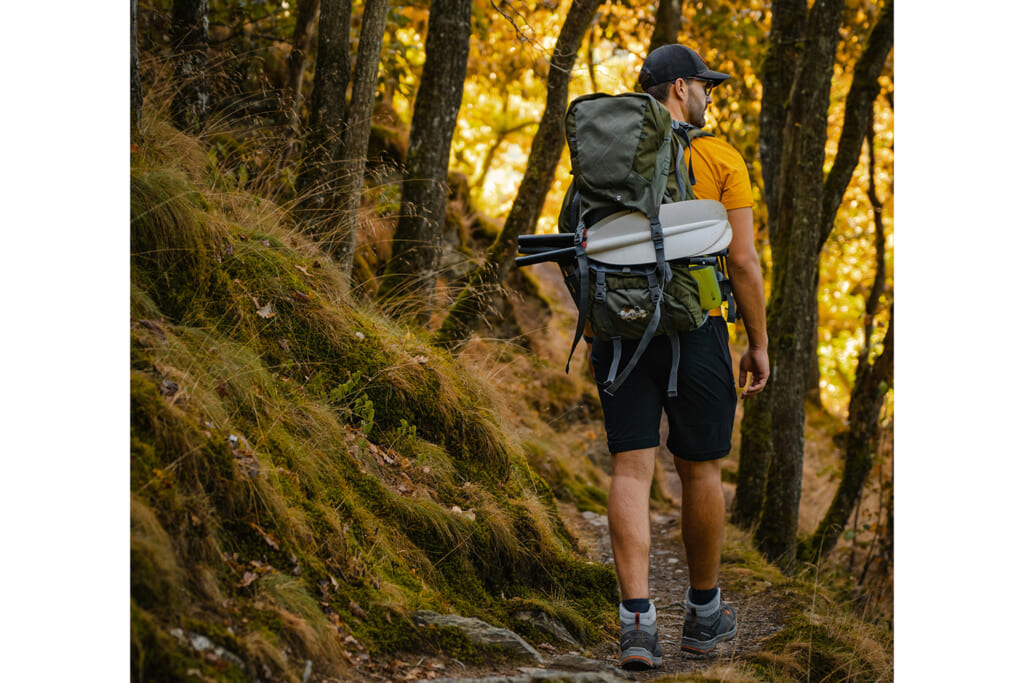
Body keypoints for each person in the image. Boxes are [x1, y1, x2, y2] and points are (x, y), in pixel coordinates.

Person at [586, 44, 770, 669]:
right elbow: (742, 260)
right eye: (705, 86)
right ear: (679, 89)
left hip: (620, 326)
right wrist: (758, 341)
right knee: (701, 469)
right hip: (700, 326)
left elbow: (582, 243)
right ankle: (704, 613)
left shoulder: (607, 156)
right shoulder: (719, 158)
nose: (710, 96)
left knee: (631, 469)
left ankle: (636, 624)